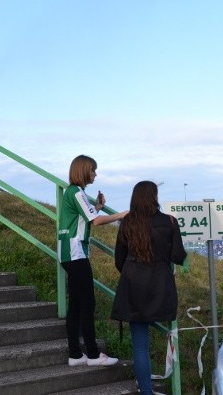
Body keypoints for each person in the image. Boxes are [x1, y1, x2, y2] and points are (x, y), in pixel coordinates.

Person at [111, 180, 187, 395]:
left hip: (133, 284)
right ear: (154, 197)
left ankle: (146, 390)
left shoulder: (127, 222)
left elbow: (119, 259)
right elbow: (177, 256)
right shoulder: (170, 222)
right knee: (167, 331)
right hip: (160, 284)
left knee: (140, 344)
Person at [59, 155, 128, 367]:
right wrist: (120, 215)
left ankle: (75, 354)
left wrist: (97, 206)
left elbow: (87, 216)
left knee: (76, 305)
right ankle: (94, 355)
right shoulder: (77, 192)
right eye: (93, 170)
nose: (95, 174)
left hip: (68, 252)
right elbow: (95, 222)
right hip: (75, 252)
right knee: (88, 303)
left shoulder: (72, 193)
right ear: (83, 171)